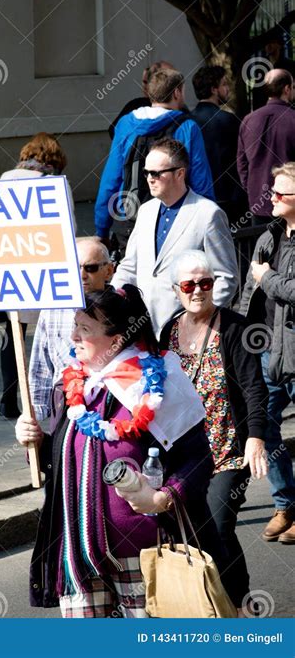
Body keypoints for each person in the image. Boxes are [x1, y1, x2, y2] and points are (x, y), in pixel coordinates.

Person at [16, 285, 218, 618]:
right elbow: (53, 464)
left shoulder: (158, 382)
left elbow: (198, 458)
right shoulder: (72, 386)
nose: (73, 336)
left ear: (116, 339)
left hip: (144, 554)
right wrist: (33, 440)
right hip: (77, 555)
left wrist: (164, 497)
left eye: (84, 328)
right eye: (75, 326)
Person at [160, 249, 268, 613]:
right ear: (177, 290)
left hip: (227, 451)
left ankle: (240, 603)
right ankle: (205, 604)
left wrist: (255, 436)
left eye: (205, 283)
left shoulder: (233, 328)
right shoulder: (169, 331)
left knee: (219, 524)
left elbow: (254, 387)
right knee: (192, 535)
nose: (198, 291)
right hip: (185, 456)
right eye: (190, 284)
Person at [112, 138, 237, 336]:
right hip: (143, 330)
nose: (149, 179)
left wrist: (199, 319)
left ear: (180, 173)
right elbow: (130, 266)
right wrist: (113, 298)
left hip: (189, 334)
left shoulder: (208, 213)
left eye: (156, 173)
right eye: (146, 172)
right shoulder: (145, 211)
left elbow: (226, 277)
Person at [0, 133, 76, 418]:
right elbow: (68, 227)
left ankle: (8, 398)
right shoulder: (54, 183)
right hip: (46, 268)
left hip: (11, 266)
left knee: (13, 334)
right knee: (54, 332)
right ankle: (57, 396)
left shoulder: (5, 178)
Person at [95, 68, 214, 255]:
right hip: (174, 218)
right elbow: (200, 179)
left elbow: (111, 179)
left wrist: (101, 228)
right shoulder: (187, 127)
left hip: (128, 219)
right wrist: (208, 218)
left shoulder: (126, 124)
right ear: (176, 92)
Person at [239, 162, 295, 544]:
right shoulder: (269, 235)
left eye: (280, 192)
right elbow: (249, 291)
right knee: (264, 428)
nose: (271, 197)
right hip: (267, 350)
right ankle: (286, 503)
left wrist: (267, 278)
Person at [29, 237, 114, 421]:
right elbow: (40, 370)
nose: (82, 275)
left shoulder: (122, 309)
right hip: (64, 410)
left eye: (90, 268)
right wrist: (33, 418)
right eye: (74, 268)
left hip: (110, 411)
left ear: (108, 271)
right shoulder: (51, 310)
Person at [237, 69, 295, 225]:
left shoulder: (249, 120)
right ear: (287, 89)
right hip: (290, 202)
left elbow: (242, 163)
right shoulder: (292, 118)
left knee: (262, 247)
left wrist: (251, 188)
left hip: (258, 200)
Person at [191, 66, 246, 224]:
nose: (228, 88)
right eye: (224, 84)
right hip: (229, 198)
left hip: (196, 196)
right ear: (214, 89)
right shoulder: (229, 120)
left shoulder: (186, 121)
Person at [108, 60, 174, 140]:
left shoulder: (177, 108)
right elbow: (114, 130)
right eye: (144, 82)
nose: (146, 86)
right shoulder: (135, 105)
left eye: (150, 82)